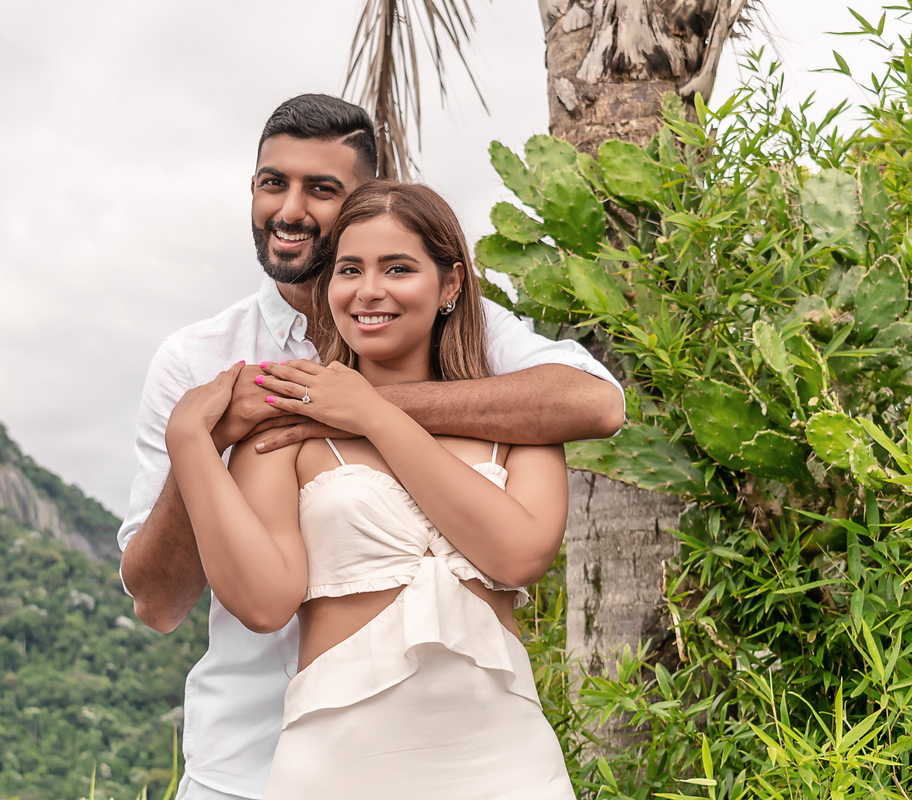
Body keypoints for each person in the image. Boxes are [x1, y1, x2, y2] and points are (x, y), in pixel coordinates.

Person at [118, 94, 620, 800]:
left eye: (322, 189)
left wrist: (364, 408)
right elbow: (162, 603)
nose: (291, 210)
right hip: (259, 757)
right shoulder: (199, 363)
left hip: (494, 759)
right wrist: (196, 442)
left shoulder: (492, 358)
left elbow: (593, 403)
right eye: (272, 183)